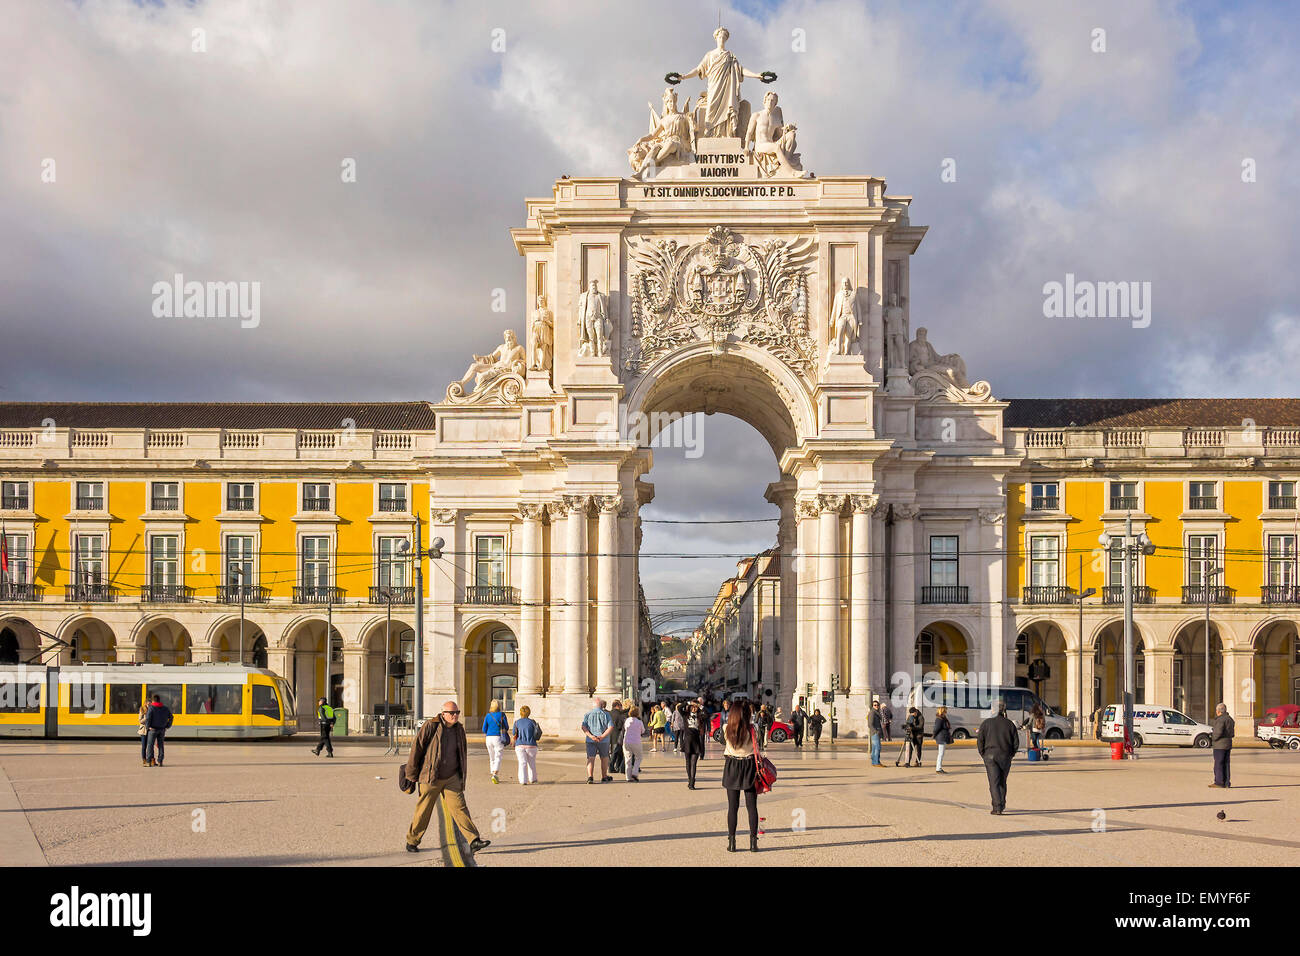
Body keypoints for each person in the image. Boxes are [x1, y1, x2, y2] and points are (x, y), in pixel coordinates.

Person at [404, 700, 490, 854]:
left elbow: (461, 753)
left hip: (452, 777)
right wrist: (411, 774)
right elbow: (417, 748)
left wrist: (460, 775)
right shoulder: (431, 726)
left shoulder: (459, 729)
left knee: (460, 808)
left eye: (457, 713)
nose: (455, 716)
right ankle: (412, 841)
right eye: (452, 713)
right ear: (443, 713)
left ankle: (473, 840)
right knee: (423, 811)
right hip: (431, 777)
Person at [721, 700, 761, 853]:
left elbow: (724, 741)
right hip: (749, 765)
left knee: (733, 807)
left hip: (732, 765)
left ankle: (732, 842)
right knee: (752, 807)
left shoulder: (726, 728)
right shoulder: (753, 729)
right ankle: (753, 843)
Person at [976, 699, 1020, 815]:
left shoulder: (986, 723)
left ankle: (997, 807)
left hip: (990, 756)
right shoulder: (1010, 724)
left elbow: (980, 741)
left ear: (993, 710)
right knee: (1002, 781)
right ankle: (1001, 803)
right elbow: (1016, 743)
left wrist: (983, 754)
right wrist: (1011, 754)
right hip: (1005, 756)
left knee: (993, 782)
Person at [582, 698, 613, 784]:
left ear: (593, 706)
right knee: (604, 758)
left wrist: (591, 736)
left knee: (591, 758)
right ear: (602, 706)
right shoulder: (606, 714)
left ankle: (590, 777)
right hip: (603, 740)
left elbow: (583, 727)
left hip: (590, 740)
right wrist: (602, 736)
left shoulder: (587, 714)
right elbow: (610, 727)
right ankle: (604, 776)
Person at [680, 699, 707, 789]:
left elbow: (707, 713)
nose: (694, 708)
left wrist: (700, 705)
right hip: (687, 740)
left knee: (694, 763)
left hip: (696, 741)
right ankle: (689, 779)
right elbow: (680, 707)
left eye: (696, 707)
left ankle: (692, 782)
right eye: (693, 707)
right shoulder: (685, 715)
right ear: (690, 707)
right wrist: (689, 702)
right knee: (688, 763)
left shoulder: (700, 716)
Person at [511, 704, 542, 785]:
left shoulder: (517, 722)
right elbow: (537, 732)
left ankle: (523, 780)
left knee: (522, 763)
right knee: (531, 763)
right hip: (531, 745)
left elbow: (514, 733)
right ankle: (533, 779)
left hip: (520, 745)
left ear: (520, 713)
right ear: (529, 713)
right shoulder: (532, 722)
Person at [482, 699, 510, 784]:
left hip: (488, 738)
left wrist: (490, 731)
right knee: (498, 756)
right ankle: (495, 774)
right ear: (499, 706)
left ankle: (492, 773)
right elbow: (507, 727)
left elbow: (484, 729)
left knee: (492, 757)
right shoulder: (502, 715)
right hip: (498, 737)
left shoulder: (488, 715)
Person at [144, 693, 173, 767]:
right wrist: (167, 726)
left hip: (153, 729)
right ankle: (160, 761)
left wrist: (148, 727)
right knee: (160, 745)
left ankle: (148, 762)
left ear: (153, 701)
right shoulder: (165, 708)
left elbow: (148, 718)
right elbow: (171, 717)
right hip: (162, 729)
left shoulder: (151, 708)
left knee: (150, 745)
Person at [1210, 702, 1234, 788]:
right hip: (1228, 743)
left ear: (1219, 711)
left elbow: (1218, 732)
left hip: (1219, 745)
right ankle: (1227, 782)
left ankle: (1219, 782)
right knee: (1226, 763)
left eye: (1216, 710)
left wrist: (1213, 738)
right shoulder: (1230, 719)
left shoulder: (1220, 719)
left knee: (1218, 763)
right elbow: (1232, 733)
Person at [623, 706, 645, 782]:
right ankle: (635, 772)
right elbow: (643, 731)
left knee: (627, 759)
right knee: (638, 757)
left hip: (627, 741)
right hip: (636, 742)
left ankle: (628, 777)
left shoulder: (627, 720)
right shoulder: (639, 722)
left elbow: (625, 728)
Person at [609, 700, 627, 775]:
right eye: (620, 705)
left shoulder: (609, 713)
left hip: (610, 735)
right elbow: (620, 726)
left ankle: (616, 766)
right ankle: (612, 767)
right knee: (617, 752)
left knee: (614, 752)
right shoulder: (619, 714)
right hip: (617, 735)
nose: (621, 707)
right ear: (617, 706)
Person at [933, 705, 953, 773]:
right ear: (943, 711)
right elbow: (936, 728)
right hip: (941, 737)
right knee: (941, 754)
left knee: (941, 753)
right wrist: (934, 736)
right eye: (945, 711)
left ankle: (939, 768)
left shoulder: (942, 718)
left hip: (942, 737)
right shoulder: (939, 719)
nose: (946, 712)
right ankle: (938, 768)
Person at [868, 699, 884, 767]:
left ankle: (874, 762)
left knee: (875, 748)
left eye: (877, 705)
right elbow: (870, 724)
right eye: (875, 705)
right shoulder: (872, 713)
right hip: (875, 733)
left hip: (877, 732)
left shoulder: (876, 713)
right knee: (878, 747)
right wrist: (875, 732)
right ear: (872, 706)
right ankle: (876, 762)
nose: (876, 706)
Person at [137, 701, 150, 767]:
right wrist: (145, 718)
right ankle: (144, 759)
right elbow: (140, 721)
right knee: (144, 746)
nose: (149, 705)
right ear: (145, 704)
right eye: (148, 704)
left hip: (150, 730)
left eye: (150, 704)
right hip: (144, 730)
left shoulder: (152, 710)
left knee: (150, 746)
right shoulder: (142, 709)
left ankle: (150, 759)